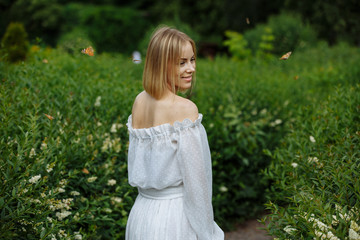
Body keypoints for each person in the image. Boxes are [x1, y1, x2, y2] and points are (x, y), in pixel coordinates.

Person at [126, 26, 224, 240]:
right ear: (161, 64)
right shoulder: (185, 109)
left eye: (192, 60)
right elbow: (197, 185)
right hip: (176, 219)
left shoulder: (140, 100)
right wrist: (208, 232)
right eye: (181, 62)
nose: (191, 69)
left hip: (141, 216)